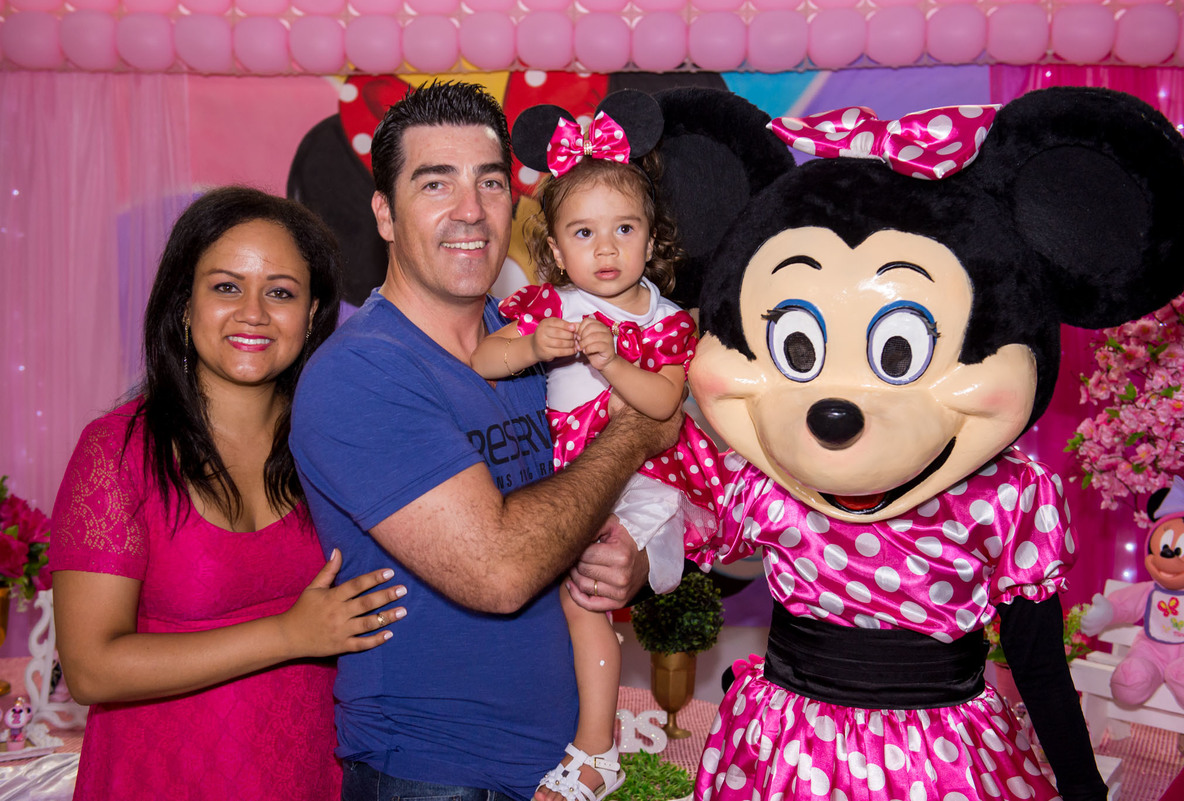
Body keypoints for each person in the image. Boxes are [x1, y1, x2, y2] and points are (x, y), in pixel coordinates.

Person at [289, 81, 683, 801]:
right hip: (436, 772)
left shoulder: (539, 336)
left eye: (491, 182)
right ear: (384, 213)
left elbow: (589, 501)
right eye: (435, 183)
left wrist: (625, 558)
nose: (470, 209)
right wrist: (633, 435)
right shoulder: (362, 371)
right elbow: (499, 573)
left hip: (562, 762)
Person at [49, 187, 406, 801]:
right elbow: (89, 669)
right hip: (160, 781)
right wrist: (288, 635)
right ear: (184, 304)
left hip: (317, 777)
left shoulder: (334, 444)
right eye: (225, 287)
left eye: (280, 292)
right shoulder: (117, 451)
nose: (253, 313)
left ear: (312, 313)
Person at [470, 92, 706, 801]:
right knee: (571, 605)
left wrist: (612, 363)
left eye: (623, 228)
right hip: (570, 478)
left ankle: (596, 752)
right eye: (583, 232)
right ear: (553, 248)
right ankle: (587, 741)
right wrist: (530, 347)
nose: (605, 249)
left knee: (582, 602)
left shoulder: (666, 320)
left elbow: (663, 405)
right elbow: (483, 359)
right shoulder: (552, 306)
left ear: (652, 239)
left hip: (644, 478)